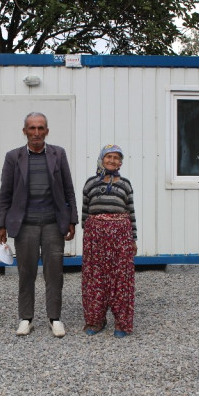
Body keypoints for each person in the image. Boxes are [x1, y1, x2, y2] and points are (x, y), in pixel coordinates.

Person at [0, 112, 78, 338]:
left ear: (47, 131)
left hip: (53, 224)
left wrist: (72, 219)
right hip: (25, 225)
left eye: (40, 128)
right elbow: (5, 194)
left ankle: (55, 318)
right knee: (26, 273)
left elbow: (68, 189)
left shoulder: (58, 154)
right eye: (31, 128)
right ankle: (26, 318)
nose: (36, 132)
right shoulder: (13, 157)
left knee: (55, 274)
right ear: (24, 131)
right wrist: (1, 224)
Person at [81, 144, 137, 338]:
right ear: (101, 159)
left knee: (120, 278)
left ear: (120, 163)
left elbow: (131, 213)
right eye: (109, 157)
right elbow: (85, 213)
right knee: (95, 278)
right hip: (95, 239)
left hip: (120, 238)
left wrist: (133, 239)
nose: (112, 161)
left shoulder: (125, 184)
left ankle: (122, 323)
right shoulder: (90, 184)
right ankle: (96, 320)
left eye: (116, 158)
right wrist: (88, 238)